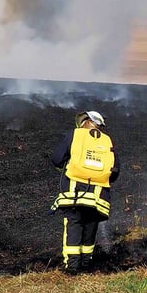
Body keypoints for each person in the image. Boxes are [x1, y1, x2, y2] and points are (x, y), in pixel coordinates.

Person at [50, 110, 119, 274]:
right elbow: (115, 171)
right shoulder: (107, 141)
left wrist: (66, 166)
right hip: (98, 198)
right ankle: (86, 264)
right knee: (90, 225)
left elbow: (57, 159)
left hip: (74, 194)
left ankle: (72, 268)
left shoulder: (75, 135)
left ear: (85, 121)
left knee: (74, 225)